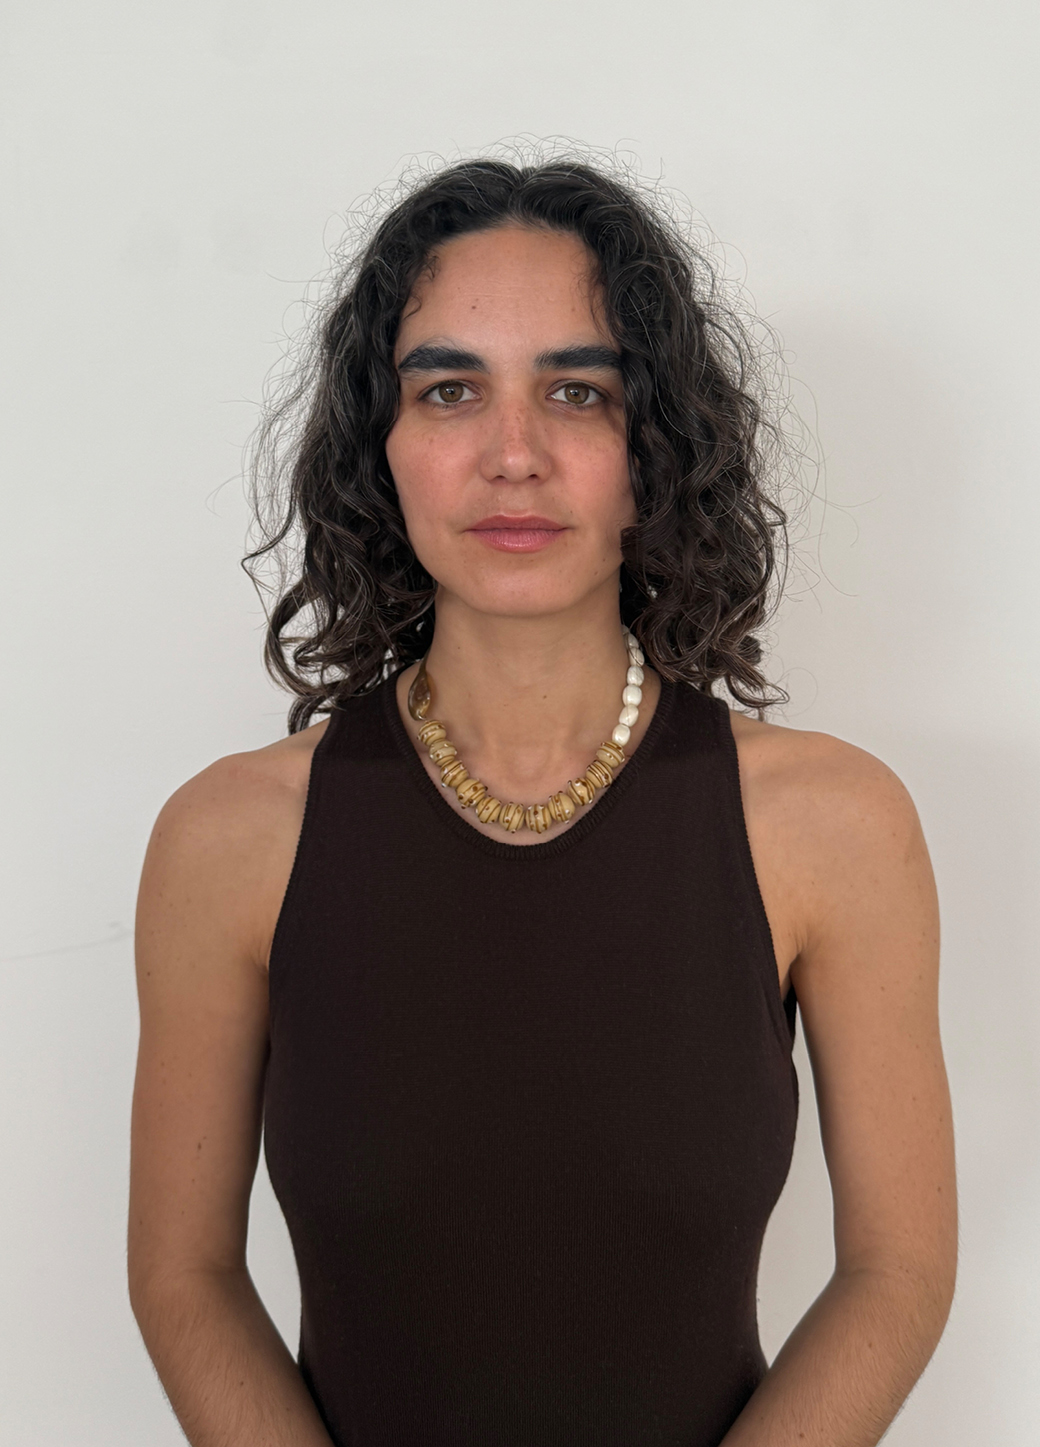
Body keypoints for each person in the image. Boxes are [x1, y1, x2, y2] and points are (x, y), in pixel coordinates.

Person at [128, 157, 957, 1447]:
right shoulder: (229, 841)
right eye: (449, 390)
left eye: (579, 391)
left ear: (655, 449)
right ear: (380, 447)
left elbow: (897, 1274)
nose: (513, 456)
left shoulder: (833, 825)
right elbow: (183, 1278)